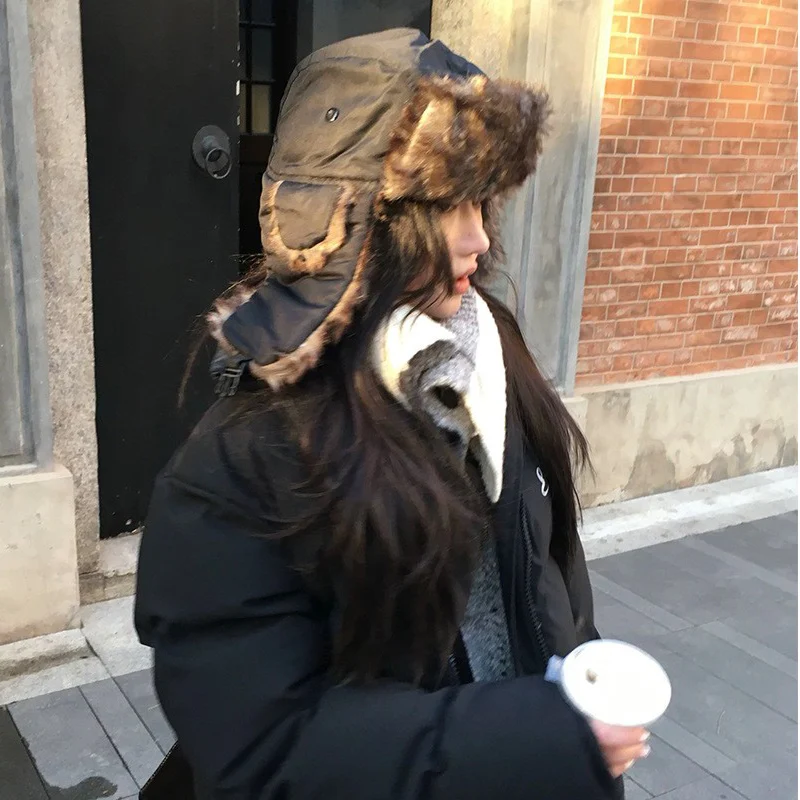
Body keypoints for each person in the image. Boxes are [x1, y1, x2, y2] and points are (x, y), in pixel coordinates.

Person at [135, 28, 649, 800]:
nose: (478, 237)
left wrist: (587, 681)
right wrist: (545, 735)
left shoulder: (491, 353)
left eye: (481, 200)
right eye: (444, 207)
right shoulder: (240, 463)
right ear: (354, 227)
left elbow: (549, 571)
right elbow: (266, 746)